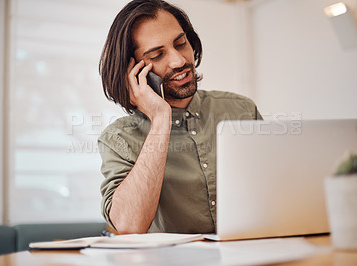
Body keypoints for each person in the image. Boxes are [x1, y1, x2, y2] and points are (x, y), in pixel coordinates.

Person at [98, 0, 262, 235]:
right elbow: (129, 227)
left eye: (181, 43)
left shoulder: (241, 111)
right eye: (157, 55)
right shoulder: (118, 139)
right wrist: (160, 118)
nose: (179, 61)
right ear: (131, 71)